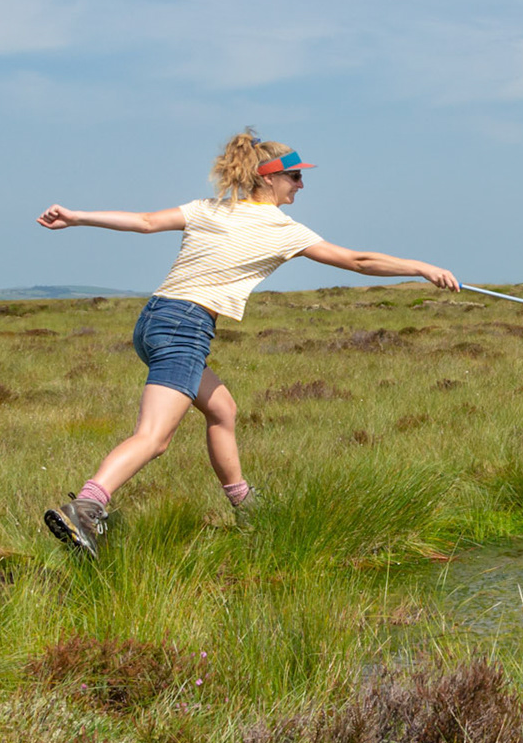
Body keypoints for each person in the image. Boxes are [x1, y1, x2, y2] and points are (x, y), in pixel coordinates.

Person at [35, 130, 460, 554]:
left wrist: (76, 216)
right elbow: (357, 261)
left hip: (155, 319)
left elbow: (145, 222)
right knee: (154, 437)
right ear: (269, 178)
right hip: (186, 325)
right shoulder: (281, 229)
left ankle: (246, 505)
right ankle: (88, 507)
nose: (301, 185)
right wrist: (420, 267)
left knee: (222, 409)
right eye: (294, 176)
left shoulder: (211, 209)